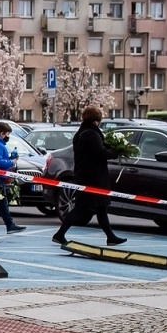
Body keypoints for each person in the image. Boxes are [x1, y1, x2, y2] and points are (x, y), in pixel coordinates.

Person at [53, 105, 124, 246]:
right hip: (93, 178)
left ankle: (110, 237)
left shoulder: (82, 132)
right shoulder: (91, 134)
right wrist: (115, 152)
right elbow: (100, 153)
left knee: (100, 207)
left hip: (87, 176)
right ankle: (59, 234)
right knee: (81, 207)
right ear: (95, 120)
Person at [0, 123, 27, 234]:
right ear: (2, 133)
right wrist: (11, 162)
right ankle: (10, 225)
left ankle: (10, 225)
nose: (8, 136)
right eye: (7, 134)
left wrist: (10, 159)